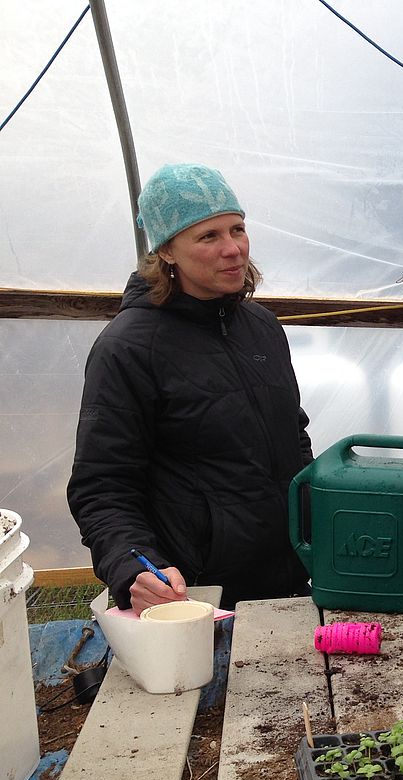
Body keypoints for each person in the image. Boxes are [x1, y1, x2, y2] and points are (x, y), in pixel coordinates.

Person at [68, 163, 312, 614]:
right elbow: (102, 486)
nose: (233, 249)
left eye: (237, 229)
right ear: (167, 252)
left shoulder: (261, 327)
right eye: (208, 237)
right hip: (198, 595)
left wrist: (319, 524)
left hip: (292, 579)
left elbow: (294, 437)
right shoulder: (128, 348)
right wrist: (131, 565)